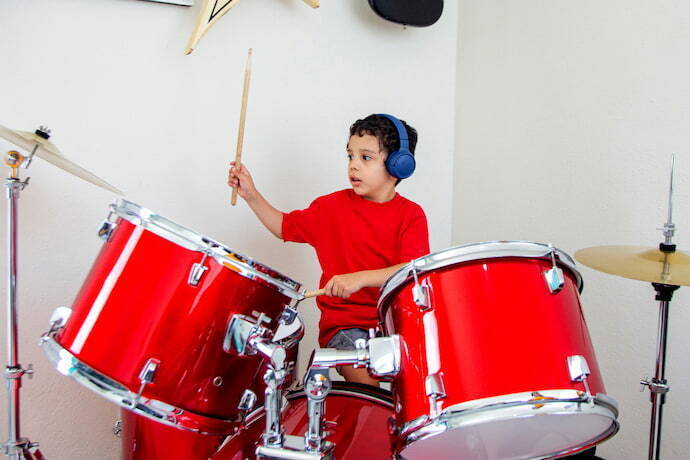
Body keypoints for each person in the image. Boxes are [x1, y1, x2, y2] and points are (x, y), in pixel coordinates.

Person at [228, 113, 429, 386]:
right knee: (368, 389)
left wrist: (360, 278)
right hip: (348, 326)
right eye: (350, 156)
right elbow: (284, 226)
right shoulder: (330, 208)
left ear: (398, 165)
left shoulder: (411, 215)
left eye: (365, 157)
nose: (353, 166)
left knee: (425, 385)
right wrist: (251, 194)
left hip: (398, 327)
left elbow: (412, 270)